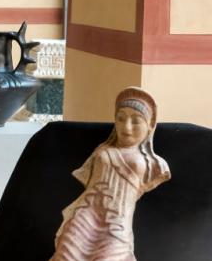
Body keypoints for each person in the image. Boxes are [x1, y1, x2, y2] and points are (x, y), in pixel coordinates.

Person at [50, 87, 171, 261]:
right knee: (66, 252)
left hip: (117, 223)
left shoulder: (155, 165)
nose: (126, 127)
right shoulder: (103, 150)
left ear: (150, 125)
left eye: (136, 121)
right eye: (120, 119)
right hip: (87, 213)